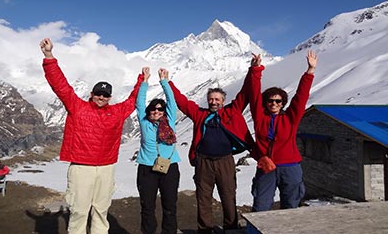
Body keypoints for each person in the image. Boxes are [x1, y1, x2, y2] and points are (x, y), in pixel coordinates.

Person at [40, 38, 144, 234]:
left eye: (105, 95)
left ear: (110, 97)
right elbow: (60, 86)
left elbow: (133, 100)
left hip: (106, 167)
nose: (101, 97)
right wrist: (48, 56)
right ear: (92, 93)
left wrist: (142, 80)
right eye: (98, 93)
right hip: (81, 167)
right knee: (79, 211)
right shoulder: (77, 107)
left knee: (101, 210)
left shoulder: (117, 111)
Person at [168, 64, 256, 233]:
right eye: (211, 99)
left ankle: (231, 228)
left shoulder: (232, 110)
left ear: (223, 101)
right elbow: (182, 102)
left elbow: (245, 93)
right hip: (204, 161)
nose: (213, 102)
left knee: (228, 196)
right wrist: (168, 82)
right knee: (203, 198)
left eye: (217, 99)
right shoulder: (200, 114)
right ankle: (205, 229)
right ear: (207, 100)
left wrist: (253, 70)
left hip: (225, 161)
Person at [249, 50, 318, 212]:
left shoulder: (290, 118)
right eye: (270, 101)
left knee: (291, 206)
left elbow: (301, 97)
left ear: (282, 103)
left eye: (278, 101)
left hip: (290, 167)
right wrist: (256, 70)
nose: (274, 103)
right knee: (261, 206)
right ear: (265, 103)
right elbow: (254, 96)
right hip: (266, 167)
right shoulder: (260, 117)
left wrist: (310, 71)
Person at [135, 67, 181, 234]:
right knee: (147, 207)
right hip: (147, 168)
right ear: (148, 111)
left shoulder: (170, 121)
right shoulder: (144, 122)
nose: (156, 111)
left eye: (160, 109)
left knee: (170, 205)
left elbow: (172, 101)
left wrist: (164, 81)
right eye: (153, 109)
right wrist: (145, 81)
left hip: (170, 166)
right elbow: (139, 103)